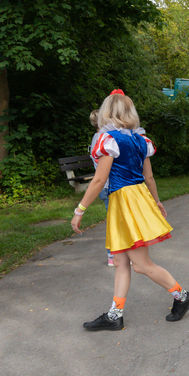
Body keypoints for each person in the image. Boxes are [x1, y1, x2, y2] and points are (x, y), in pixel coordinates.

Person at [71, 89, 189, 331]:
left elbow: (98, 180)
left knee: (140, 264)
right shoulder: (140, 140)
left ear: (107, 111)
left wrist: (80, 210)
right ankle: (115, 315)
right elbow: (149, 177)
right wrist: (156, 201)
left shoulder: (110, 141)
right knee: (120, 262)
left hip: (124, 202)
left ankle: (182, 295)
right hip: (137, 198)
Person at [88, 109, 114, 266]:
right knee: (114, 222)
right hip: (109, 186)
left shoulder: (97, 138)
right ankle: (112, 255)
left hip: (106, 186)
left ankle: (117, 254)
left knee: (116, 221)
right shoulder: (104, 139)